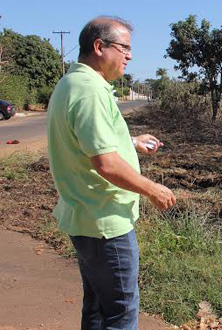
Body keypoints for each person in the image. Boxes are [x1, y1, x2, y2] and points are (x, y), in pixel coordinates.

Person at [46, 16, 176, 329]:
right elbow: (105, 163)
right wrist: (152, 189)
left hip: (86, 216)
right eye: (124, 48)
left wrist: (131, 142)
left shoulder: (74, 83)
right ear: (99, 47)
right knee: (121, 312)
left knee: (97, 308)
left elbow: (87, 141)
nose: (130, 56)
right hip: (105, 223)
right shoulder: (90, 91)